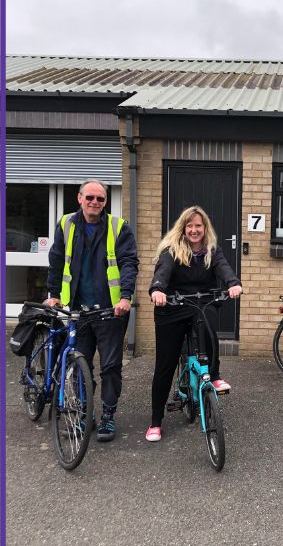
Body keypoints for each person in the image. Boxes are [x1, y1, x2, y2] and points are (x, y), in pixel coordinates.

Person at [45, 179, 139, 443]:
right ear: (79, 198)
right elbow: (55, 259)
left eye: (100, 199)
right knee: (79, 365)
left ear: (105, 202)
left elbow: (129, 262)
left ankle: (108, 416)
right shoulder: (66, 224)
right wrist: (53, 295)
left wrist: (125, 296)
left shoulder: (118, 227)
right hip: (77, 311)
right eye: (90, 198)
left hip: (110, 311)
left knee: (110, 367)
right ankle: (86, 415)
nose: (95, 202)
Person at [145, 206, 242, 442]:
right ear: (183, 228)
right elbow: (163, 272)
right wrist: (158, 289)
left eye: (198, 225)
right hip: (172, 308)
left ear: (205, 228)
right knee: (165, 365)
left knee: (209, 333)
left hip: (199, 305)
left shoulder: (212, 251)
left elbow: (224, 269)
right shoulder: (172, 251)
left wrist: (233, 283)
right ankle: (155, 421)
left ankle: (214, 375)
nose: (194, 230)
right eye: (190, 226)